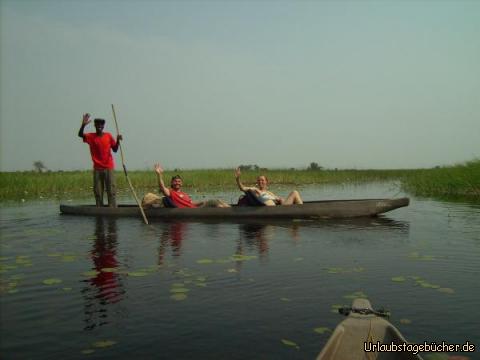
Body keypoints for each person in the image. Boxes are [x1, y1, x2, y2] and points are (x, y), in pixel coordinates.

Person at [78, 113, 122, 207]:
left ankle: (112, 209)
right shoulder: (91, 136)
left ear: (103, 126)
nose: (99, 127)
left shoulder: (108, 136)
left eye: (101, 125)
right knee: (98, 192)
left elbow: (115, 149)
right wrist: (83, 125)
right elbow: (80, 134)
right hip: (97, 169)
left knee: (111, 191)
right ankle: (99, 210)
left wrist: (117, 140)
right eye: (98, 125)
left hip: (108, 168)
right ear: (95, 126)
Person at [153, 163, 230, 208]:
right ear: (172, 183)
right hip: (193, 211)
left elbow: (191, 203)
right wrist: (159, 175)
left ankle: (230, 209)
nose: (177, 183)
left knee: (219, 201)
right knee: (217, 203)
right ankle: (229, 212)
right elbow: (162, 187)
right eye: (175, 181)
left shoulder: (184, 194)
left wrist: (201, 202)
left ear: (181, 183)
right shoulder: (170, 192)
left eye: (179, 181)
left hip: (195, 208)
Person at [234, 167, 303, 206]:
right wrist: (238, 179)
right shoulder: (255, 189)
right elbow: (242, 188)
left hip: (280, 207)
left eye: (262, 180)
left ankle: (300, 208)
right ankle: (301, 210)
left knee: (292, 194)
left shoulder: (269, 193)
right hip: (274, 209)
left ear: (266, 182)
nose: (260, 182)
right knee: (294, 192)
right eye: (259, 180)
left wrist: (280, 199)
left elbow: (278, 199)